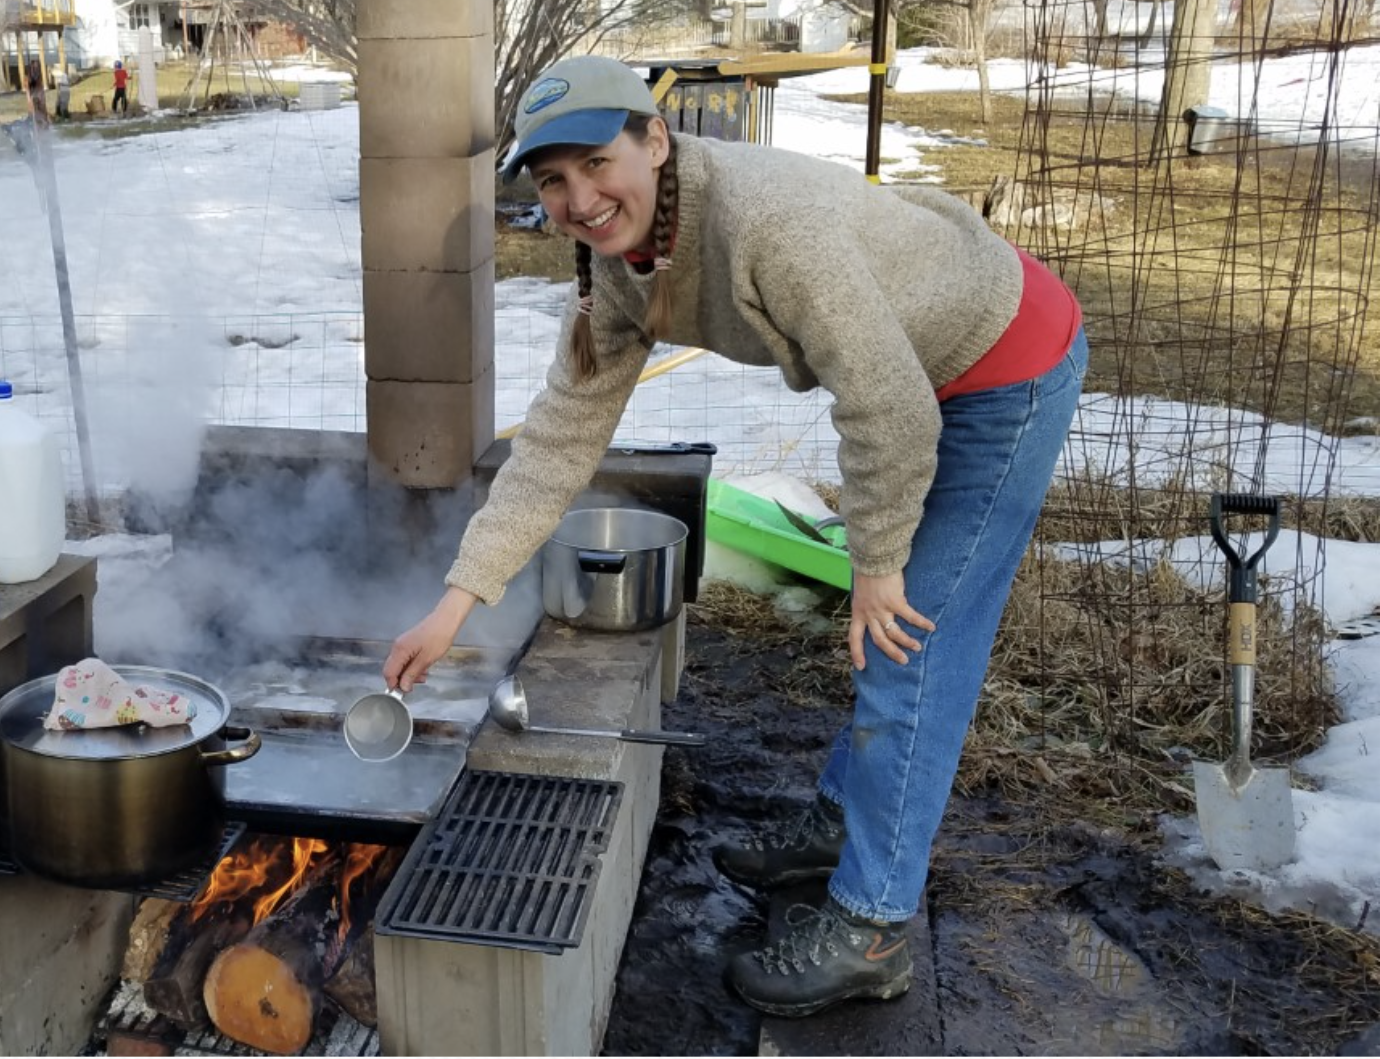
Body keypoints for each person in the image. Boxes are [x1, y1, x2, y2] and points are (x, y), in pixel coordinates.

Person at [382, 55, 1085, 1018]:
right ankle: (839, 828)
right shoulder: (620, 270)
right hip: (915, 376)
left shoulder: (765, 225)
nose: (580, 198)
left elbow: (889, 406)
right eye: (553, 180)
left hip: (1002, 363)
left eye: (596, 162)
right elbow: (556, 443)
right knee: (895, 640)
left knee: (912, 645)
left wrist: (875, 567)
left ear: (655, 139)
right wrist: (457, 601)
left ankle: (873, 926)